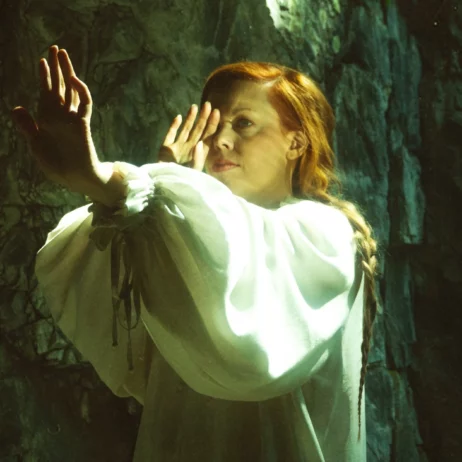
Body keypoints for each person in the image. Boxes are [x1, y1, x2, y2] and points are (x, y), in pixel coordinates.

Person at [12, 45, 378, 462]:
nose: (220, 139)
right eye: (214, 124)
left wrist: (128, 188)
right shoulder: (197, 234)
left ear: (295, 143)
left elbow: (248, 333)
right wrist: (156, 218)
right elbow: (137, 347)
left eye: (244, 123)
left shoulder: (324, 231)